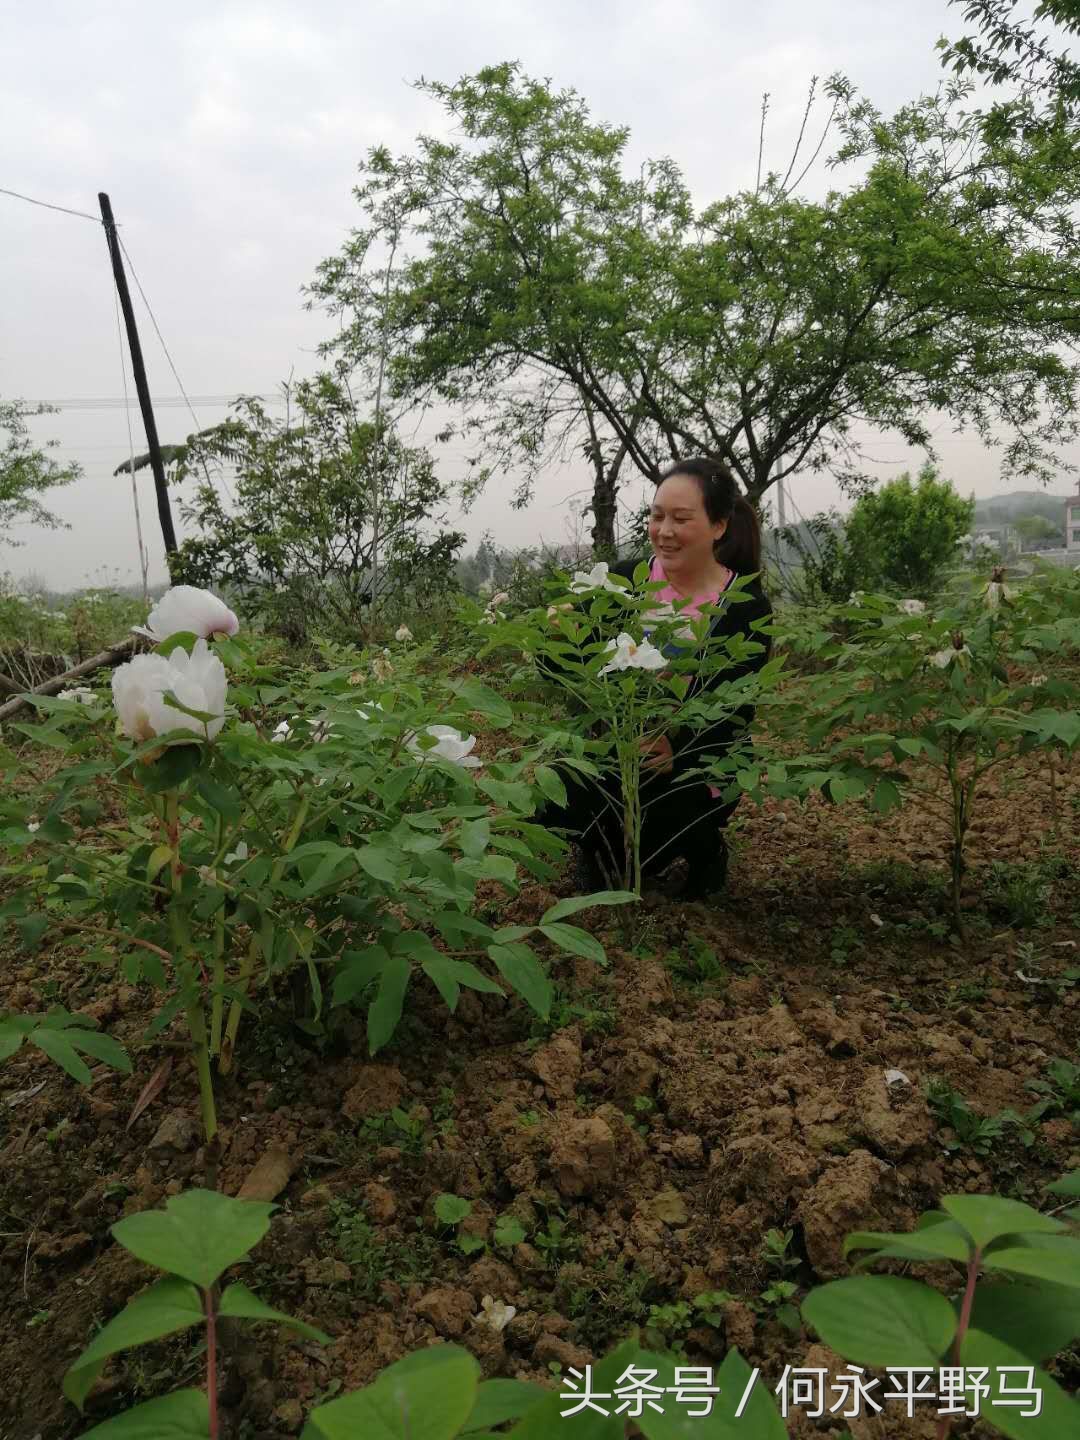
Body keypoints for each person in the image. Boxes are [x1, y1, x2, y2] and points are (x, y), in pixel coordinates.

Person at [539, 458, 772, 900]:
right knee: (556, 791)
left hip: (698, 756)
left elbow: (736, 707)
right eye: (657, 515)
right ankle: (595, 854)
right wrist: (556, 636)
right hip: (619, 749)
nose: (664, 530)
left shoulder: (743, 604)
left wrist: (676, 750)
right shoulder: (625, 581)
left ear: (719, 525)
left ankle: (706, 851)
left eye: (681, 519)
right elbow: (560, 670)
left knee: (665, 817)